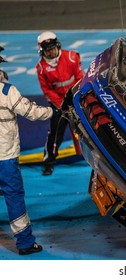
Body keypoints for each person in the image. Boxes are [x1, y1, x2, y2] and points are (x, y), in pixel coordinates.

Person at [0, 49, 53, 255]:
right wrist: (52, 111)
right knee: (13, 196)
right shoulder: (6, 91)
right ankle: (25, 243)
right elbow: (31, 112)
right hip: (5, 156)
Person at [36, 31, 84, 175]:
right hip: (58, 104)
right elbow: (47, 90)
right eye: (47, 49)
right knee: (55, 134)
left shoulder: (72, 57)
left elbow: (80, 78)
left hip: (76, 98)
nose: (50, 52)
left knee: (89, 128)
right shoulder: (41, 68)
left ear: (58, 45)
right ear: (42, 50)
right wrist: (61, 104)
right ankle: (49, 162)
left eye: (52, 48)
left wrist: (73, 99)